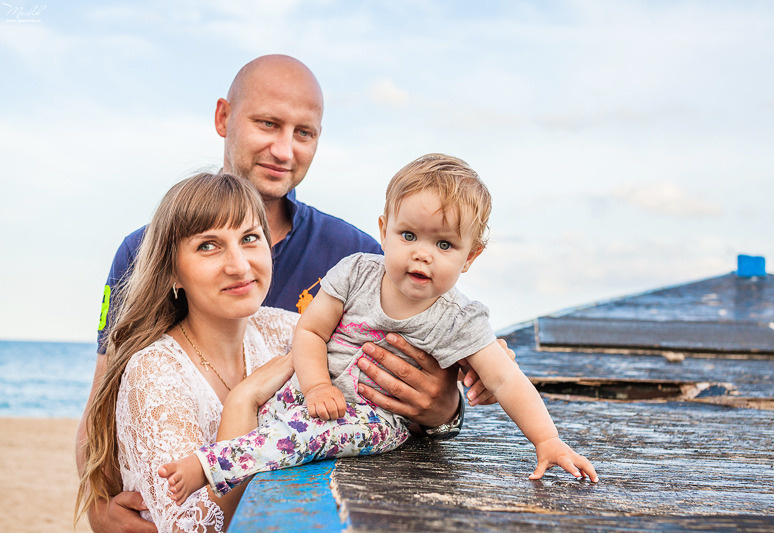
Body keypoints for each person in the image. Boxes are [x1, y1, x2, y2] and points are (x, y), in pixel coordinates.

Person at [78, 55, 511, 532]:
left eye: (304, 133)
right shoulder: (141, 252)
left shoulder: (358, 258)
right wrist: (96, 504)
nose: (284, 149)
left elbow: (439, 350)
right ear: (224, 117)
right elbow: (105, 398)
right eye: (267, 123)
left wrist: (450, 405)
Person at [158, 154, 598, 505]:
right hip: (318, 385)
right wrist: (314, 387)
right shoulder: (356, 273)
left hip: (377, 416)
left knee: (308, 437)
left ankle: (209, 466)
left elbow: (506, 379)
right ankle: (240, 492)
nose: (422, 254)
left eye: (444, 244)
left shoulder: (461, 319)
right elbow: (310, 333)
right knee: (274, 417)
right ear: (385, 231)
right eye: (409, 236)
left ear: (471, 257)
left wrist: (548, 440)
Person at [76, 172, 410, 532]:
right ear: (172, 271)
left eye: (249, 238)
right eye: (208, 245)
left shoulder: (285, 330)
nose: (238, 265)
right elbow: (193, 527)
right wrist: (242, 401)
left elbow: (385, 374)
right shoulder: (154, 373)